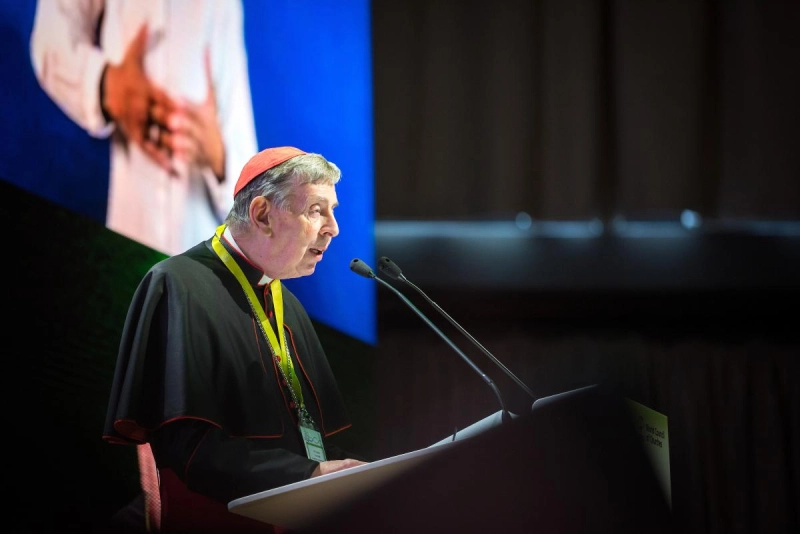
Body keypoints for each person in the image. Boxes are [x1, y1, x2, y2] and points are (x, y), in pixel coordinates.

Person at [103, 146, 369, 532]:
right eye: (316, 210)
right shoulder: (180, 284)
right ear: (262, 214)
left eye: (333, 210)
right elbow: (189, 446)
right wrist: (307, 474)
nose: (333, 227)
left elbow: (308, 440)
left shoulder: (287, 306)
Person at [29, 0, 258, 256]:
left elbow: (246, 167)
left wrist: (218, 157)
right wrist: (105, 84)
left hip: (203, 254)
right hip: (129, 231)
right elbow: (50, 36)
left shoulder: (225, 6)